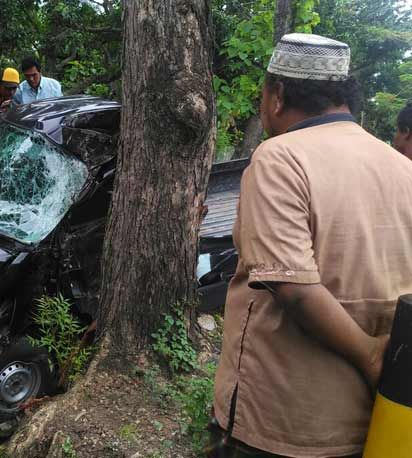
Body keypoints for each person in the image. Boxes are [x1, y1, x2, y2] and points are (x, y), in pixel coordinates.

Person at [210, 33, 412, 458]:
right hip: (371, 422)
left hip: (282, 424)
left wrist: (371, 357)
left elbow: (294, 288)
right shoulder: (401, 167)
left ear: (278, 95)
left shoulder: (279, 158)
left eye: (263, 94)